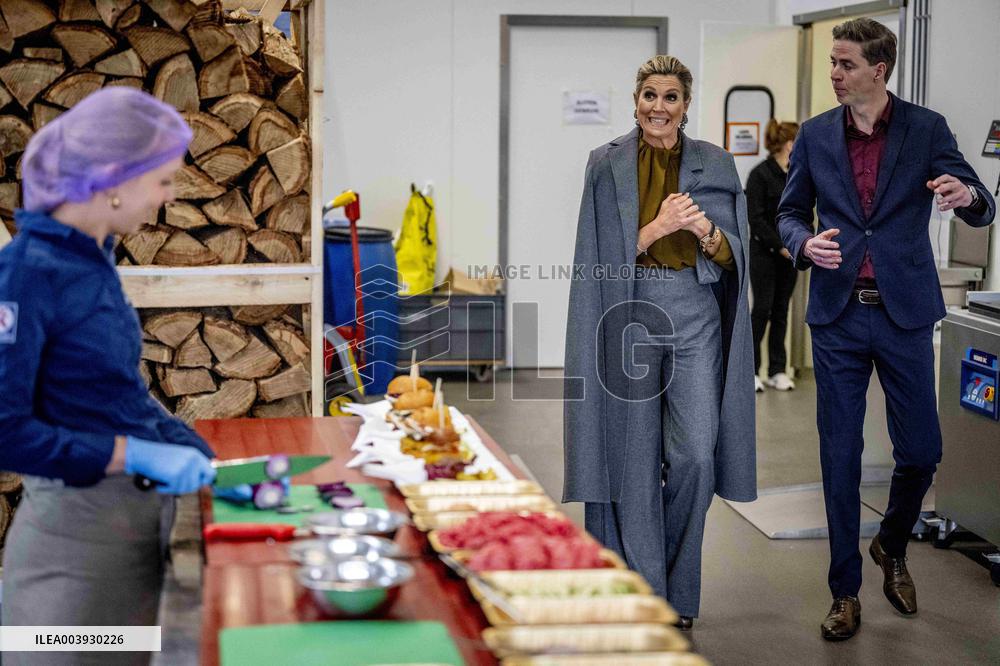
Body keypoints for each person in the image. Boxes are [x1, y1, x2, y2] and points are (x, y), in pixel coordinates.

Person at [777, 18, 995, 641]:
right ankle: (845, 591)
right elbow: (789, 212)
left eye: (845, 64)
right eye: (833, 64)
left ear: (879, 68)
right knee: (839, 458)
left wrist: (968, 195)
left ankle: (892, 546)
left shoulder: (927, 129)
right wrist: (801, 245)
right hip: (838, 317)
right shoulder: (817, 135)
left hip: (904, 314)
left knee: (922, 451)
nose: (835, 74)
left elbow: (982, 199)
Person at [0, 88, 218, 665]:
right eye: (164, 180)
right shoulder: (25, 273)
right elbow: (6, 431)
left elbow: (116, 394)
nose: (168, 199)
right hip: (72, 554)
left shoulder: (93, 260)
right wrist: (136, 455)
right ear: (114, 180)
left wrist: (192, 450)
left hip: (125, 541)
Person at [563, 55, 756, 629]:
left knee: (696, 454)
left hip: (696, 315)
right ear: (636, 99)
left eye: (671, 97)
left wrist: (706, 231)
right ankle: (647, 590)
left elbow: (731, 258)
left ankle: (675, 582)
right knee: (633, 459)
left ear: (685, 105)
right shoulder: (605, 165)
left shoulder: (716, 163)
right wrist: (657, 228)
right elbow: (595, 258)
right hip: (629, 313)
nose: (659, 107)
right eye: (650, 95)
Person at [747, 120, 799, 393]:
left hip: (790, 255)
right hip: (764, 253)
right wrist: (780, 245)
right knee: (762, 309)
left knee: (781, 311)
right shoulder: (759, 174)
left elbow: (802, 212)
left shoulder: (796, 175)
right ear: (790, 145)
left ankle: (778, 370)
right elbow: (755, 218)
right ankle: (752, 370)